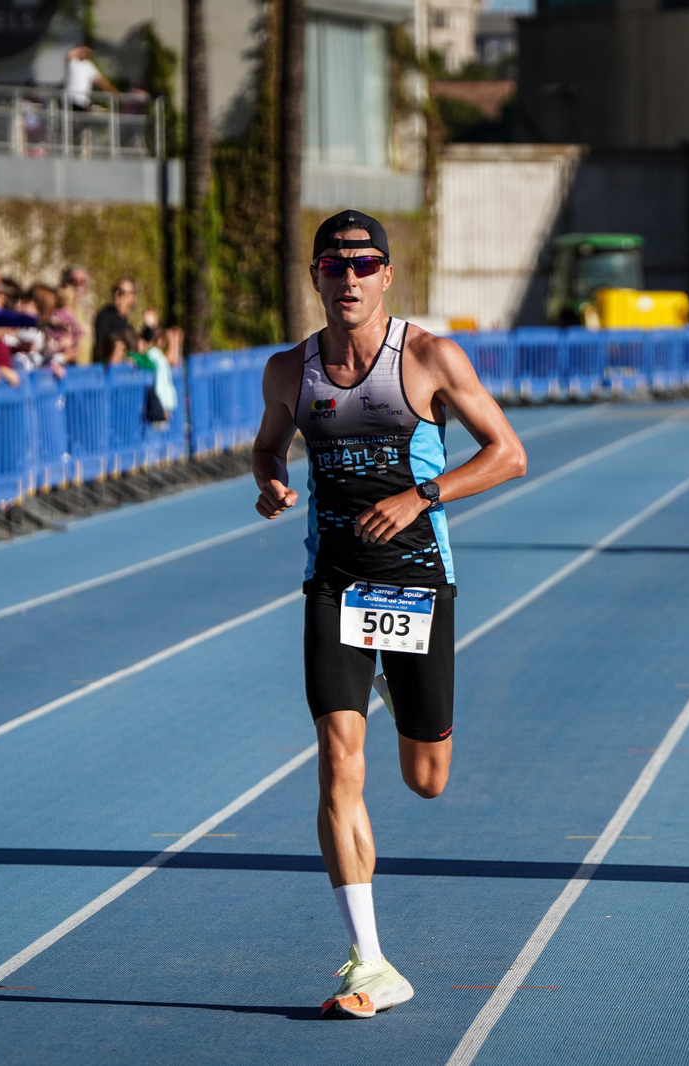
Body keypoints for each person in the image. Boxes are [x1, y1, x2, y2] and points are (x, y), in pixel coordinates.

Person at [251, 210, 526, 1020]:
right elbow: (267, 446)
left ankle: (403, 699)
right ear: (316, 277)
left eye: (364, 264)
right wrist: (269, 481)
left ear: (386, 275)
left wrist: (420, 495)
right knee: (339, 764)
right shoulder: (288, 371)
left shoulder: (430, 356)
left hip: (415, 583)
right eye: (333, 265)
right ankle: (369, 964)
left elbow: (508, 453)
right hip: (334, 583)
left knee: (426, 779)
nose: (349, 278)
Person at [93, 278, 142, 363]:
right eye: (115, 290)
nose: (116, 294)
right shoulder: (105, 315)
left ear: (132, 297)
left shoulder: (126, 322)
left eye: (121, 292)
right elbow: (101, 347)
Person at [64, 46, 117, 110]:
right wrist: (82, 48)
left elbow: (100, 80)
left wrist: (112, 91)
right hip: (70, 99)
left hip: (83, 101)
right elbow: (69, 54)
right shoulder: (73, 62)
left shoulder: (89, 66)